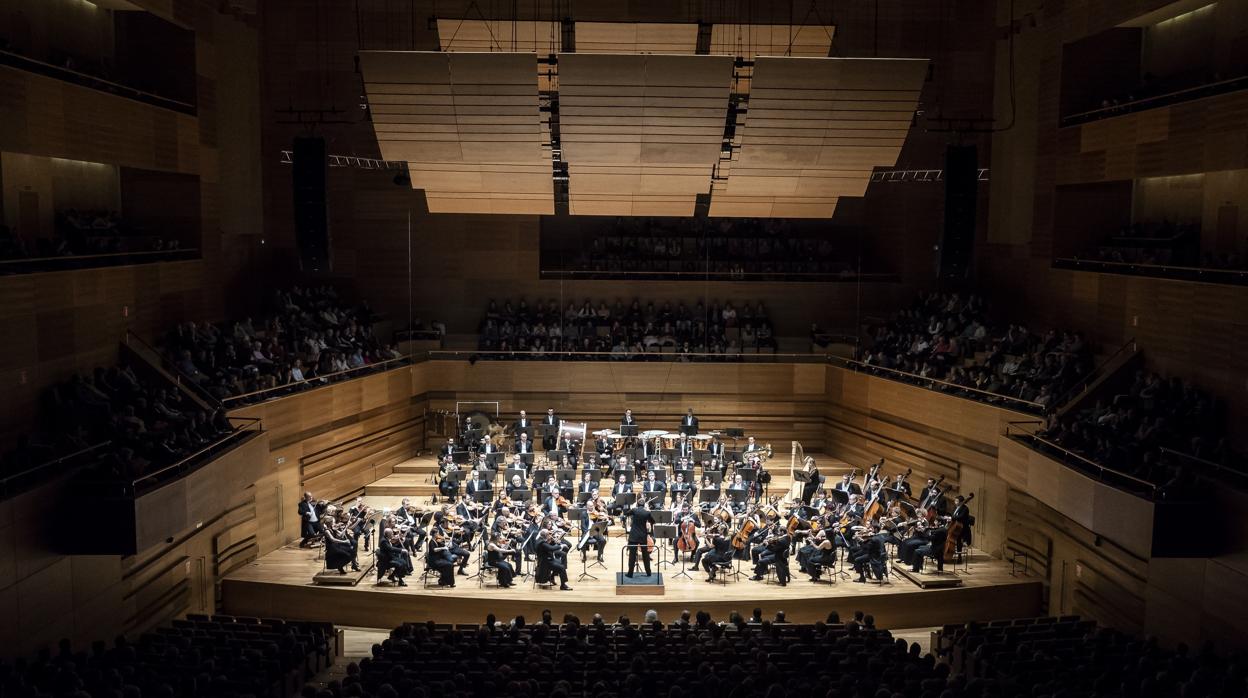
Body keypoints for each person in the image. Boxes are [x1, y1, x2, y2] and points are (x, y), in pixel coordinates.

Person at [625, 500, 654, 577]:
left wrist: (632, 508)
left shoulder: (634, 510)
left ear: (637, 504)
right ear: (644, 505)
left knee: (632, 555)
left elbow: (626, 513)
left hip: (634, 535)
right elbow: (653, 521)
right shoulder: (647, 513)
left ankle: (630, 573)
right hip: (642, 536)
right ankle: (648, 573)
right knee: (645, 555)